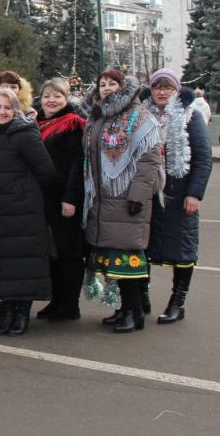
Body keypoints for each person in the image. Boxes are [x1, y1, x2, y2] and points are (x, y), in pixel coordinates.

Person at [82, 71, 162, 334]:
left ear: (123, 87)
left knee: (128, 257)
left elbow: (149, 160)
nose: (106, 88)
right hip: (103, 198)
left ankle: (135, 312)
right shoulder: (98, 117)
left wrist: (138, 195)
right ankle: (123, 309)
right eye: (102, 84)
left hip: (127, 199)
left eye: (111, 84)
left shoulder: (139, 117)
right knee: (112, 260)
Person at [0, 88, 57, 336]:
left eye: (7, 107)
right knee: (5, 264)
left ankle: (22, 311)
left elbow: (47, 172)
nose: (1, 112)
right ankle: (7, 310)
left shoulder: (25, 135)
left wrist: (24, 192)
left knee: (23, 264)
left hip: (23, 212)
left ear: (16, 111)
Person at [143, 69, 212, 324]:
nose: (161, 92)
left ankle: (178, 302)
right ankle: (142, 296)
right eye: (157, 87)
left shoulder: (190, 116)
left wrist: (195, 193)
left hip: (180, 194)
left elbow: (204, 158)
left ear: (176, 90)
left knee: (182, 250)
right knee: (144, 248)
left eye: (167, 87)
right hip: (149, 194)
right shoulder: (143, 115)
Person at [35, 78, 86, 321]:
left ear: (66, 99)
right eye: (47, 96)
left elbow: (78, 165)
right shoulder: (36, 122)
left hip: (65, 199)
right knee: (52, 252)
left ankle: (70, 304)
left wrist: (71, 198)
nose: (52, 100)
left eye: (57, 96)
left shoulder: (73, 124)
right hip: (44, 199)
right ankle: (56, 301)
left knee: (69, 253)